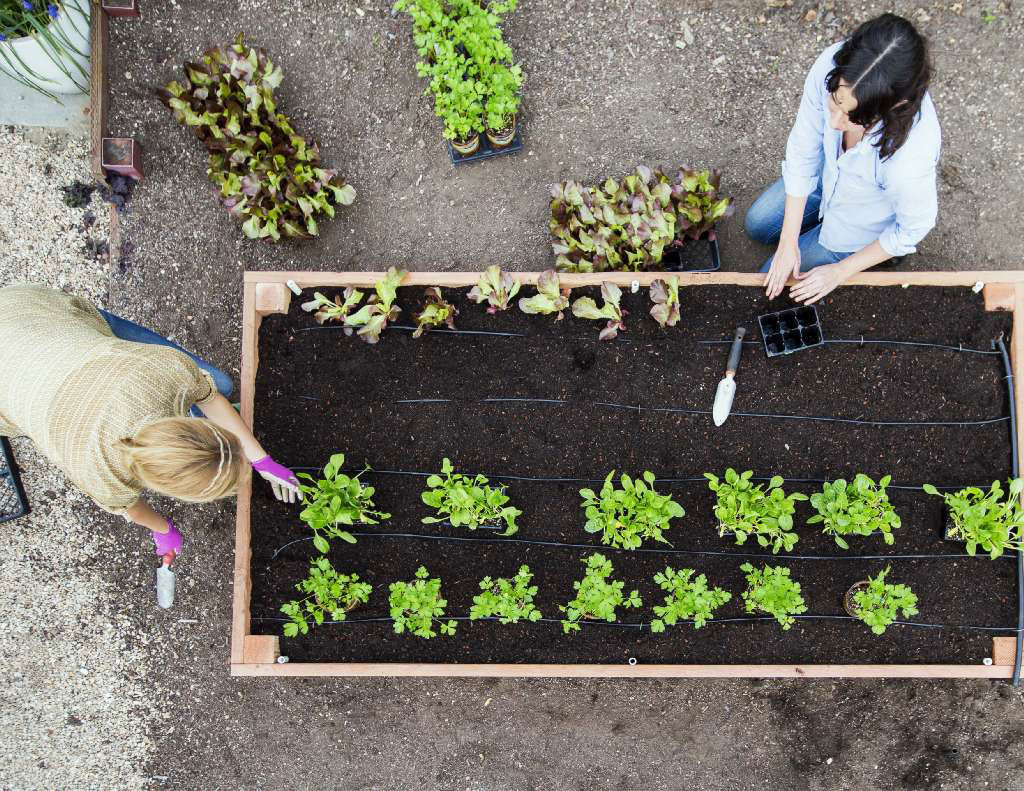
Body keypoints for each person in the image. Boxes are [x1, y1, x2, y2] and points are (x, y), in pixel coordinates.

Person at [0, 284, 301, 558]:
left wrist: (261, 460)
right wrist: (162, 530)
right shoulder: (97, 473)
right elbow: (132, 509)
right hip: (17, 367)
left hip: (31, 315)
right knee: (220, 384)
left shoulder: (164, 371)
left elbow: (210, 398)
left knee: (219, 384)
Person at [745, 13, 940, 304]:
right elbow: (804, 147)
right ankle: (807, 230)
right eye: (835, 103)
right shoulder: (831, 65)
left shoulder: (909, 159)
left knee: (772, 280)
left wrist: (840, 271)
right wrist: (788, 242)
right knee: (757, 224)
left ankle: (877, 258)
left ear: (894, 106)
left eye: (854, 118)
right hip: (828, 178)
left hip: (860, 220)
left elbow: (912, 228)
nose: (835, 122)